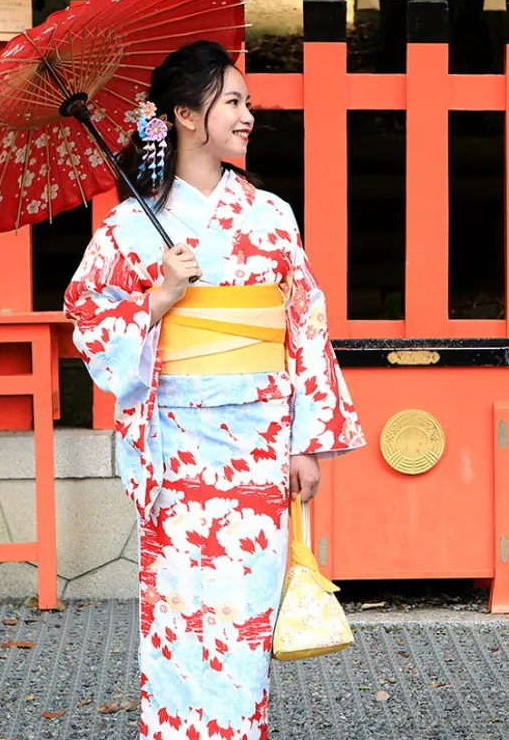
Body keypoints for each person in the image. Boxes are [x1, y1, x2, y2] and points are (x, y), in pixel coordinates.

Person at [64, 40, 365, 740]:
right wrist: (159, 296)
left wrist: (305, 441)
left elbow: (304, 328)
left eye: (247, 102)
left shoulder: (271, 216)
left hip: (258, 445)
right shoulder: (131, 228)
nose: (248, 115)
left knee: (244, 620)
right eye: (233, 101)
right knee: (176, 611)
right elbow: (86, 312)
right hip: (176, 448)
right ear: (186, 116)